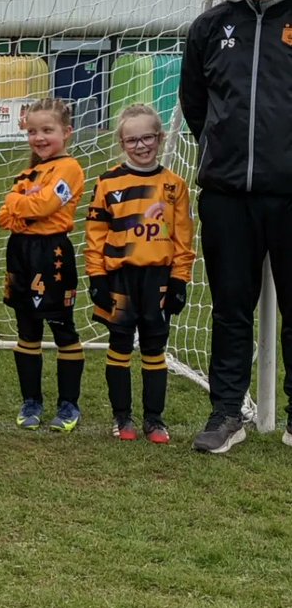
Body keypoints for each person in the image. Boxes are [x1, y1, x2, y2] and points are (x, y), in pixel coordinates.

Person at [180, 0, 292, 454]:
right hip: (226, 195)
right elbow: (195, 106)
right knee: (230, 307)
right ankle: (227, 413)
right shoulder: (209, 26)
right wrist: (226, 152)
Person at [85, 104, 194, 443]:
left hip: (158, 279)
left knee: (154, 348)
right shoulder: (108, 183)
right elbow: (95, 235)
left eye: (148, 137)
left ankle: (155, 419)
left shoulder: (174, 185)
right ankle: (122, 417)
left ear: (160, 138)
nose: (141, 145)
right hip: (120, 279)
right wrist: (97, 278)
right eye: (132, 140)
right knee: (118, 345)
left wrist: (179, 280)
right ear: (121, 141)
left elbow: (184, 238)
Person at [0, 98, 86, 433]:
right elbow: (3, 217)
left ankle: (69, 404)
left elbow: (46, 204)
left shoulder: (69, 169)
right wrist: (21, 207)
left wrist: (17, 203)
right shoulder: (29, 172)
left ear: (66, 132)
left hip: (52, 253)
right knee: (27, 329)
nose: (39, 137)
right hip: (20, 251)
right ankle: (31, 401)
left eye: (47, 130)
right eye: (32, 131)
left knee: (62, 327)